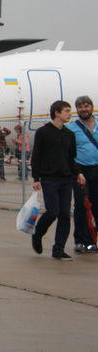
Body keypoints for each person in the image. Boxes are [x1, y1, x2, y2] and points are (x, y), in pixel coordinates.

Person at [30, 101, 80, 260]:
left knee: (65, 214)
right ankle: (38, 233)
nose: (69, 114)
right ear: (57, 113)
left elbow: (71, 158)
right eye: (66, 111)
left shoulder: (69, 134)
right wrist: (36, 178)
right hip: (49, 178)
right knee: (53, 211)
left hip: (66, 179)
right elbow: (37, 156)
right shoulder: (43, 132)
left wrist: (78, 173)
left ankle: (58, 248)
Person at [67, 96, 98, 254]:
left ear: (91, 107)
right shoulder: (72, 128)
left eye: (86, 106)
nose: (84, 109)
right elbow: (68, 152)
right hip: (81, 171)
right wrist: (76, 172)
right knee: (81, 205)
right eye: (80, 107)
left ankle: (92, 240)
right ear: (76, 110)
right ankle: (80, 240)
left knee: (96, 205)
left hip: (97, 169)